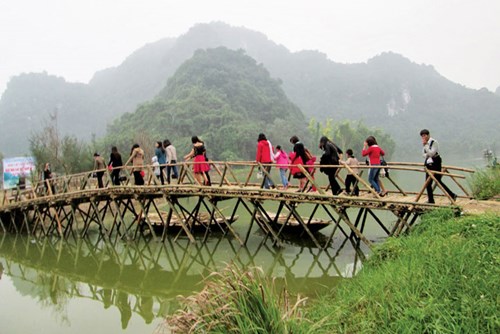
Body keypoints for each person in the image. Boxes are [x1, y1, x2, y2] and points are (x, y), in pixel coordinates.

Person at [420, 129, 457, 203]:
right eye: (422, 136)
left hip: (435, 163)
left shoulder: (434, 142)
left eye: (425, 135)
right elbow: (423, 154)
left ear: (428, 135)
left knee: (438, 181)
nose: (423, 137)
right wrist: (427, 151)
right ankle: (431, 200)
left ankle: (452, 195)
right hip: (428, 164)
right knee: (428, 183)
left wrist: (426, 147)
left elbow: (432, 154)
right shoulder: (425, 144)